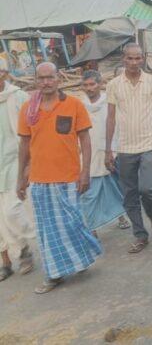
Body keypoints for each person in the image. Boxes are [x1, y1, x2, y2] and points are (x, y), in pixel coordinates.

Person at [17, 62, 102, 294]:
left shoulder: (74, 105)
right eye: (41, 78)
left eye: (50, 77)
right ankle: (54, 275)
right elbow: (24, 144)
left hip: (68, 178)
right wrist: (20, 178)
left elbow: (85, 139)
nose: (46, 82)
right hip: (40, 180)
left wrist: (85, 172)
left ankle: (81, 258)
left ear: (59, 79)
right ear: (36, 80)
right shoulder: (28, 109)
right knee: (48, 232)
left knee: (72, 224)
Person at [105, 44, 152, 254]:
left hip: (148, 144)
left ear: (143, 59)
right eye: (130, 59)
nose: (134, 62)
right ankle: (140, 235)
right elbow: (111, 117)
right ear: (123, 59)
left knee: (146, 188)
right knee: (129, 194)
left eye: (138, 58)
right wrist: (108, 149)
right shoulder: (114, 85)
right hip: (124, 147)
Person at [80, 71, 129, 234]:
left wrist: (113, 150)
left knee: (114, 187)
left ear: (100, 84)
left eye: (92, 84)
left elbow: (119, 126)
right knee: (89, 193)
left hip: (110, 152)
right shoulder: (80, 106)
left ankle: (121, 216)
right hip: (88, 155)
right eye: (86, 85)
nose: (89, 88)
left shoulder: (110, 103)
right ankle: (92, 227)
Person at [0, 58, 35, 282]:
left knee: (12, 210)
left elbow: (33, 130)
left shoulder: (18, 96)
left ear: (4, 73)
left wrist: (30, 164)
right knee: (0, 220)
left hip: (15, 160)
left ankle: (36, 237)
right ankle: (10, 260)